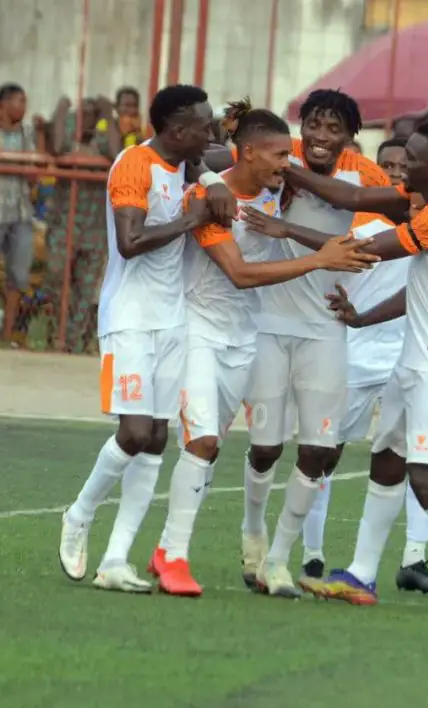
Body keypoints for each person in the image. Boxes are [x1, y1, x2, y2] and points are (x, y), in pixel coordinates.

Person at [245, 121, 428, 616]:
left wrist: (286, 229)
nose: (401, 166)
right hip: (416, 358)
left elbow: (361, 252)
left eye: (411, 159)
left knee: (426, 477)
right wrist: (363, 318)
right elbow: (354, 200)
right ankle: (361, 574)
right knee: (387, 461)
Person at [142, 100, 378, 596]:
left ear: (350, 137)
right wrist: (214, 180)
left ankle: (277, 560)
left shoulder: (336, 174)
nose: (319, 135)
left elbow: (384, 201)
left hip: (315, 330)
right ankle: (240, 534)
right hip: (258, 327)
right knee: (256, 445)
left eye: (334, 128)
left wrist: (295, 208)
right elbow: (197, 155)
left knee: (318, 450)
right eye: (312, 124)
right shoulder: (263, 171)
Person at [58, 84, 236, 592]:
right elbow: (130, 241)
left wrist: (209, 177)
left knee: (156, 438)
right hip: (130, 318)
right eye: (203, 126)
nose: (212, 134)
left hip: (172, 318)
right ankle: (79, 513)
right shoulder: (134, 165)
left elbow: (226, 156)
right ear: (177, 131)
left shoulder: (184, 160)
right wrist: (191, 218)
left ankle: (116, 560)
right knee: (135, 432)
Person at [299, 136, 428, 595]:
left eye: (406, 163)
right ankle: (312, 553)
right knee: (325, 452)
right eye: (388, 165)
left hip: (412, 354)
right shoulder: (359, 219)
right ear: (375, 171)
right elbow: (333, 253)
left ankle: (414, 558)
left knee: (419, 458)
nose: (397, 171)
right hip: (356, 351)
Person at [44, 96, 106, 353]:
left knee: (85, 288)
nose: (87, 118)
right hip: (63, 224)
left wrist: (108, 114)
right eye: (84, 113)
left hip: (95, 229)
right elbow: (57, 146)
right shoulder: (69, 138)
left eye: (93, 114)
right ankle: (59, 332)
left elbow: (116, 151)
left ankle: (72, 341)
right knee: (56, 276)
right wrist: (60, 110)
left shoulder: (104, 142)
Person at [0, 83, 36, 345]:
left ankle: (8, 334)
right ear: (3, 105)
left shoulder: (28, 134)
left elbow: (34, 175)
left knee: (18, 274)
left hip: (21, 214)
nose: (23, 107)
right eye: (18, 101)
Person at [95, 87, 144, 160]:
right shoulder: (104, 128)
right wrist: (124, 133)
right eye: (127, 105)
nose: (132, 110)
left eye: (135, 106)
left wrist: (137, 134)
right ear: (116, 108)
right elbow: (114, 155)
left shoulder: (140, 132)